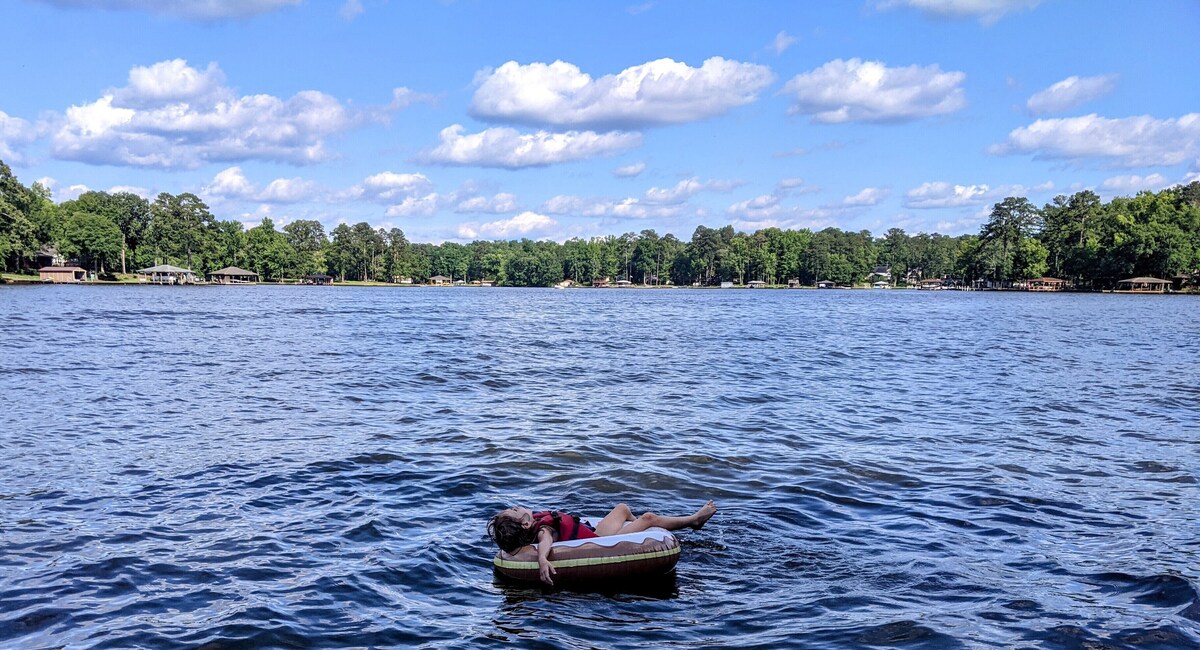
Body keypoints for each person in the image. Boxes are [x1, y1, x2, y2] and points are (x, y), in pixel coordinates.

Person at [487, 501, 717, 585]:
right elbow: (544, 540)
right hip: (602, 541)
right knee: (649, 518)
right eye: (516, 510)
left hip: (593, 534)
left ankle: (636, 535)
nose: (519, 506)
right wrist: (542, 559)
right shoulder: (543, 529)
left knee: (623, 508)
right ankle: (693, 521)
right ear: (526, 525)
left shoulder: (537, 523)